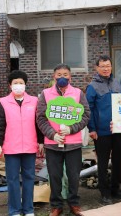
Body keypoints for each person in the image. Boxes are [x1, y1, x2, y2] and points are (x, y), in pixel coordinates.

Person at [37, 63, 90, 216]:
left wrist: (72, 129)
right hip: (53, 143)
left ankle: (74, 203)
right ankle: (56, 205)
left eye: (65, 74)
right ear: (54, 77)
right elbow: (40, 118)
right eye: (59, 75)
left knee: (74, 176)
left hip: (73, 143)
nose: (62, 77)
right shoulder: (45, 94)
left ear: (70, 77)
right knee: (54, 176)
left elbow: (86, 115)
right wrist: (52, 134)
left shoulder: (78, 93)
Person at [0, 70, 44, 216]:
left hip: (30, 146)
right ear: (10, 85)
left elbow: (38, 123)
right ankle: (14, 210)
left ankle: (28, 209)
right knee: (13, 179)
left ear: (25, 85)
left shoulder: (34, 101)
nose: (18, 85)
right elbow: (0, 125)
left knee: (29, 178)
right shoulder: (3, 102)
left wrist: (41, 142)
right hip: (11, 148)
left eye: (21, 83)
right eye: (15, 83)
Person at [86, 55, 121, 205]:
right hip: (101, 132)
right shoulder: (92, 86)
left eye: (108, 66)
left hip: (117, 130)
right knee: (103, 163)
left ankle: (116, 189)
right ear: (97, 68)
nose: (105, 69)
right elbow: (88, 109)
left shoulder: (117, 83)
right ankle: (104, 193)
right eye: (102, 66)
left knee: (117, 161)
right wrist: (92, 129)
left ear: (111, 67)